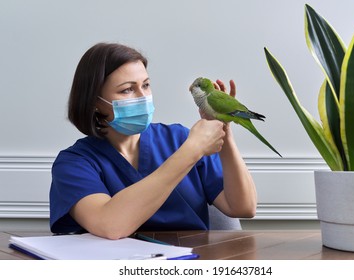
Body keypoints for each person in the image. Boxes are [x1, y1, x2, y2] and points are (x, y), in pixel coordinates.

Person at [49, 42, 257, 240]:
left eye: (146, 85)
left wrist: (223, 126)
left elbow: (243, 207)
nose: (143, 97)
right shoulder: (74, 163)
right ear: (95, 102)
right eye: (127, 89)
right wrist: (190, 152)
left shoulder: (179, 138)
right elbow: (110, 225)